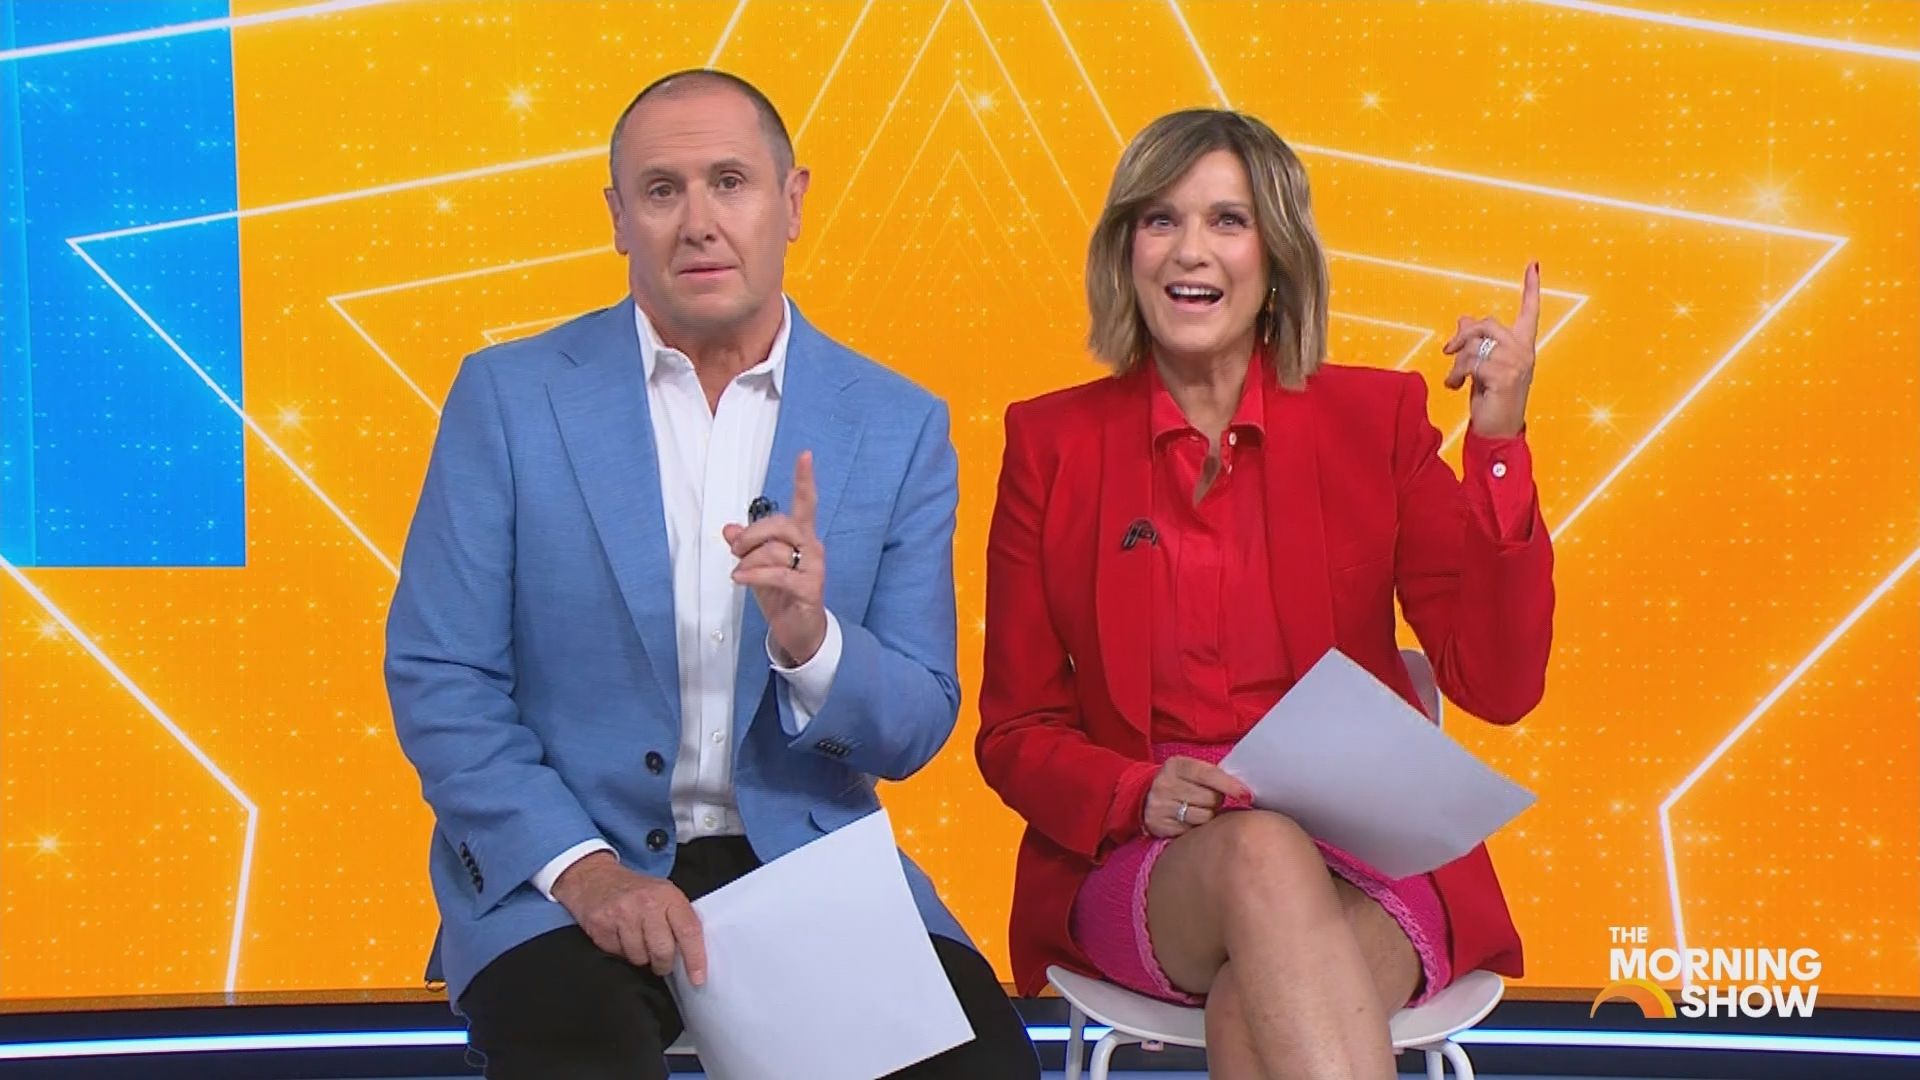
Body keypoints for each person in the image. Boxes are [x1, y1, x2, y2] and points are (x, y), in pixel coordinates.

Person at [387, 69, 1038, 1080]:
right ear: (618, 219)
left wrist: (811, 644)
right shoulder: (510, 399)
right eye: (662, 191)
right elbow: (442, 677)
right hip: (569, 864)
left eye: (730, 182)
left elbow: (915, 724)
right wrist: (588, 874)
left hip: (805, 864)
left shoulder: (897, 423)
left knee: (982, 1069)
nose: (698, 222)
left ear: (792, 202)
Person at [977, 108, 1554, 1079]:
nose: (1189, 250)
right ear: (1126, 251)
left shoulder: (1376, 418)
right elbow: (1016, 729)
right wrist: (1134, 790)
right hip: (1152, 857)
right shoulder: (1051, 445)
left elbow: (1499, 685)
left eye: (1227, 221)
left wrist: (1497, 446)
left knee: (1260, 1004)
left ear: (1277, 254)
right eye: (1160, 220)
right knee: (1261, 854)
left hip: (1371, 860)